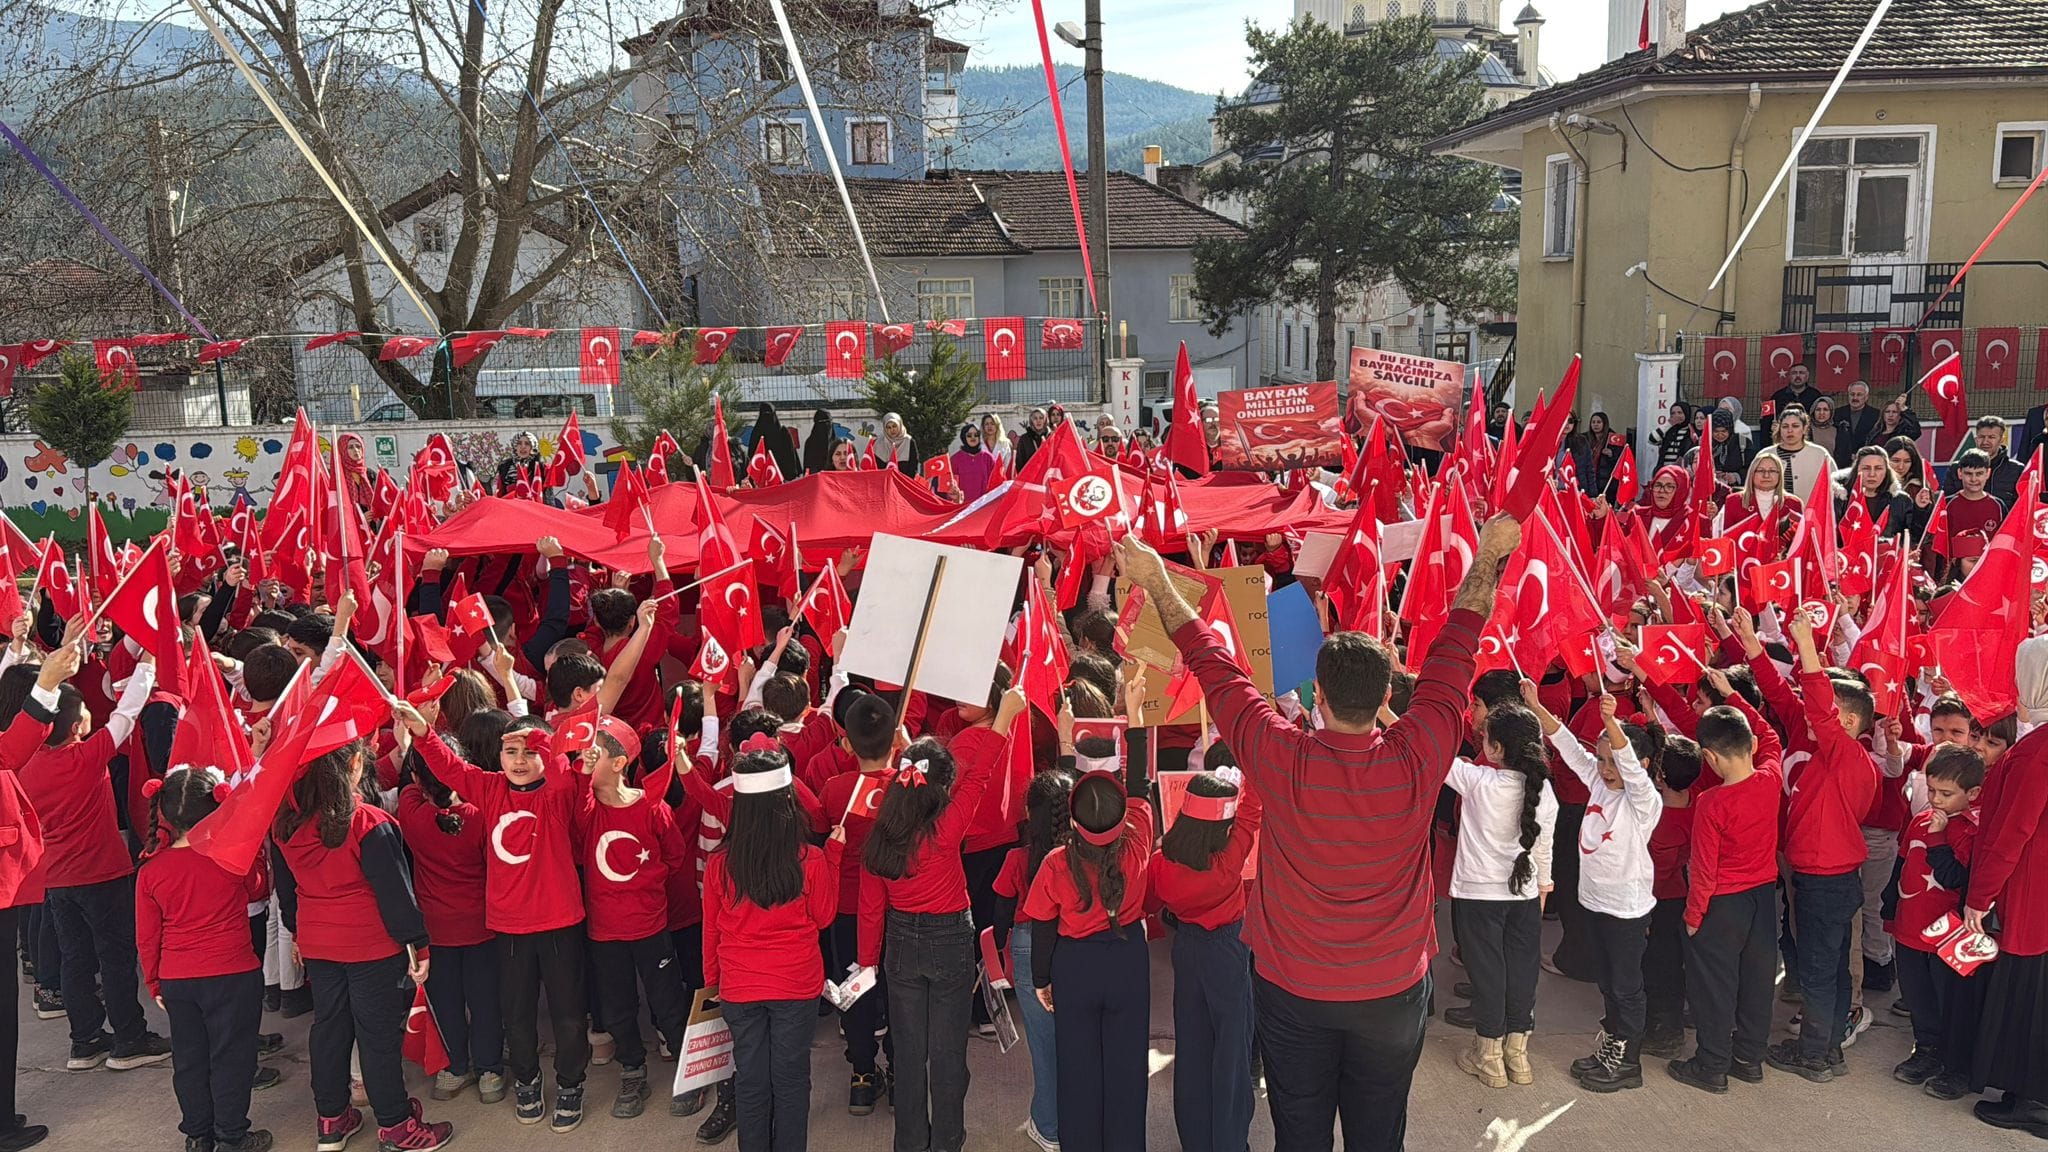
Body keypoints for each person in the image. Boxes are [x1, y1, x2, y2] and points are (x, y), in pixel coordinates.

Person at [1116, 511, 1519, 1151]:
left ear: (1319, 698)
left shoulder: (1280, 756)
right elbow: (1457, 644)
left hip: (1293, 992)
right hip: (1390, 991)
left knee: (1299, 1134)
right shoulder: (1422, 752)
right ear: (1387, 692)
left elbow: (1212, 662)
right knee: (1378, 1134)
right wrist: (1490, 555)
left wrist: (1156, 575)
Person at [406, 709, 592, 1131]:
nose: (520, 760)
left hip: (560, 921)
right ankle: (527, 1080)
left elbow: (565, 775)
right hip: (508, 927)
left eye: (531, 752)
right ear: (498, 756)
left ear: (548, 755)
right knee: (517, 1014)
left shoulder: (558, 792)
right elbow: (449, 767)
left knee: (567, 1014)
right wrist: (422, 732)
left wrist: (554, 748)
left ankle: (569, 1084)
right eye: (511, 751)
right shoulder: (489, 790)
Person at [271, 739, 451, 1152]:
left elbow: (287, 890)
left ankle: (332, 1119)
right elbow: (396, 894)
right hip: (371, 945)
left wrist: (299, 932)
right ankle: (396, 1123)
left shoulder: (285, 823)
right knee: (377, 1036)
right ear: (355, 764)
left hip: (319, 943)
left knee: (329, 1031)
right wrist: (418, 946)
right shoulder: (368, 822)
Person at [860, 695, 1022, 1152]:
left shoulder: (880, 835)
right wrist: (1004, 720)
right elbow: (979, 777)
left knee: (908, 1055)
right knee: (949, 1054)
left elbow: (872, 908)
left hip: (899, 948)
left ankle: (909, 1143)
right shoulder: (947, 828)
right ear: (938, 789)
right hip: (950, 941)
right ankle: (948, 1140)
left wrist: (865, 963)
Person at [20, 650, 172, 1073]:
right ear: (74, 725)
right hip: (101, 874)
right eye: (86, 710)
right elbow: (126, 714)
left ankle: (84, 1039)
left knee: (75, 958)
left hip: (57, 879)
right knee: (117, 956)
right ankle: (129, 1037)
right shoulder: (85, 757)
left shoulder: (27, 764)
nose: (92, 714)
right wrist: (147, 664)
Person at [702, 742, 846, 1151]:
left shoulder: (719, 863)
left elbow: (710, 930)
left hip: (739, 988)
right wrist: (833, 855)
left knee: (749, 1080)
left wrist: (713, 981)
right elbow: (824, 917)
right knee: (792, 1079)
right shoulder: (811, 859)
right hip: (796, 985)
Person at [1764, 609, 1878, 1084]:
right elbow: (1796, 702)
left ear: (1847, 721)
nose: (1814, 718)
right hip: (1831, 876)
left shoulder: (1845, 753)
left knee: (1816, 969)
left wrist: (1807, 645)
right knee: (1829, 970)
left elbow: (1818, 702)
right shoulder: (1842, 758)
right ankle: (1826, 1048)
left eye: (1828, 714)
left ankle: (1813, 1054)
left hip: (1824, 880)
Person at [137, 767, 275, 1152]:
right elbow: (258, 891)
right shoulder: (231, 858)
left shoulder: (151, 871)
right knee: (233, 1055)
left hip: (178, 978)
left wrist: (153, 981)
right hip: (232, 972)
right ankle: (232, 1134)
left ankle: (198, 1134)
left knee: (190, 1058)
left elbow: (147, 937)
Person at [1022, 760, 1155, 1152]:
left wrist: (1041, 979)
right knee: (1128, 1068)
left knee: (1077, 1069)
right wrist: (1134, 722)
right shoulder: (1139, 840)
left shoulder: (1054, 862)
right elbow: (1140, 789)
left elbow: (1043, 925)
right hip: (1128, 961)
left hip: (1074, 968)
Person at [1535, 690, 1662, 1092]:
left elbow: (1630, 769)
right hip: (1595, 904)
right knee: (1607, 984)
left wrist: (1611, 723)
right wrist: (1537, 708)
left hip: (1626, 911)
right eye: (1602, 760)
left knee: (1626, 987)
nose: (1605, 769)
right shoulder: (1600, 785)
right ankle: (1611, 1046)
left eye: (1613, 761)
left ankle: (1628, 1062)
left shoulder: (1644, 801)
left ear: (1640, 764)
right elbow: (1572, 750)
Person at [1667, 670, 1782, 1094]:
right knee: (1756, 980)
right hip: (1760, 898)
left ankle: (1711, 1064)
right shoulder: (1771, 777)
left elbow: (1704, 866)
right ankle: (1748, 1058)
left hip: (1720, 902)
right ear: (1749, 745)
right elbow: (1769, 735)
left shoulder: (1711, 802)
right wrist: (1733, 693)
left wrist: (1694, 916)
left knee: (1714, 985)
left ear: (1709, 758)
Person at [1147, 756, 1263, 1152]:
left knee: (1193, 1048)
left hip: (1187, 951)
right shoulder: (1228, 862)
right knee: (1231, 1051)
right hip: (1228, 953)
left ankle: (1195, 1138)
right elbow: (1253, 812)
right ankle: (1229, 1141)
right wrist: (1250, 772)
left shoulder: (1160, 864)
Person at [576, 716, 688, 1121]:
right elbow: (576, 805)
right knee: (617, 1005)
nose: (585, 760)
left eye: (596, 753)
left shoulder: (652, 807)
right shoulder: (586, 811)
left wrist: (649, 886)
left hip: (649, 925)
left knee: (667, 1000)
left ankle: (686, 1069)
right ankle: (632, 1068)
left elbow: (674, 857)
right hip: (605, 931)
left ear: (621, 762)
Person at [1442, 704, 1556, 1090]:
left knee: (1488, 975)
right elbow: (1544, 848)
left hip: (1478, 896)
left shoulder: (1477, 781)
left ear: (1494, 748)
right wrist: (1543, 889)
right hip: (1523, 896)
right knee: (1522, 973)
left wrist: (1390, 713)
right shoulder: (1544, 791)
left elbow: (1432, 750)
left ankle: (1488, 1058)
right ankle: (1518, 1056)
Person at [396, 740, 503, 1105]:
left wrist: (409, 744)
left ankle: (455, 1067)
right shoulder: (481, 814)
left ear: (418, 780)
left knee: (445, 1001)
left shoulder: (411, 814)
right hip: (481, 925)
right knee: (486, 998)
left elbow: (408, 787)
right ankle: (490, 1070)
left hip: (435, 930)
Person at [1962, 702, 2048, 1136]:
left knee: (2029, 999)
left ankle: (2032, 1099)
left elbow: (2015, 830)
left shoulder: (2037, 751)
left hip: (2032, 891)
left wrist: (1981, 895)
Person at [812, 693, 900, 1116]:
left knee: (855, 991)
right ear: (895, 739)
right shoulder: (907, 789)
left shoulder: (834, 791)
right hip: (898, 907)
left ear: (847, 742)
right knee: (900, 990)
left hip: (847, 911)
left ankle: (862, 1075)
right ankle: (900, 1072)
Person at [1888, 744, 1985, 1087]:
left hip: (1949, 935)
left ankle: (1953, 1060)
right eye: (1931, 790)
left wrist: (1939, 837)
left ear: (1972, 793)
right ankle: (1926, 1049)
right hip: (1910, 928)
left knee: (1950, 1001)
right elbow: (1902, 866)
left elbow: (1955, 877)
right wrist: (1890, 912)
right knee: (1917, 995)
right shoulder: (1919, 820)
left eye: (1947, 793)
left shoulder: (1973, 829)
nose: (1937, 799)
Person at [995, 769, 1076, 1152]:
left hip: (1029, 946)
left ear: (1030, 812)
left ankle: (1048, 1124)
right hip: (1074, 942)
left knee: (1043, 1044)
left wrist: (996, 948)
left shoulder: (1017, 859)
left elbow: (1001, 909)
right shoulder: (1078, 857)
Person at [1643, 737, 1701, 1060]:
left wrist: (1645, 913)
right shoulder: (1697, 803)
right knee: (1672, 965)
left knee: (1658, 967)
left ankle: (1664, 1031)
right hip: (1682, 897)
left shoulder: (1665, 822)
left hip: (1662, 902)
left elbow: (1659, 873)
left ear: (1661, 776)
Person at [1716, 453, 1801, 540]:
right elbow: (1727, 539)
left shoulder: (1794, 503)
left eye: (1772, 471)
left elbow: (1797, 541)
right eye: (1760, 470)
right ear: (1752, 474)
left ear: (1780, 475)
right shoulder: (1734, 501)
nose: (1766, 475)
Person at [1942, 416, 2023, 506]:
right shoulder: (1956, 468)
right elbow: (1947, 504)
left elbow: (2021, 506)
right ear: (1976, 439)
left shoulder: (2017, 470)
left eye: (1991, 437)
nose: (1985, 442)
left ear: (2001, 440)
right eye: (1981, 437)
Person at [1762, 407, 1834, 499]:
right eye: (1785, 426)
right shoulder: (1765, 455)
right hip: (1773, 511)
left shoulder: (1820, 454)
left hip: (1809, 511)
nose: (1790, 430)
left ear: (1804, 429)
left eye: (1795, 426)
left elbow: (1834, 486)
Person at [1841, 446, 1912, 536]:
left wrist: (1921, 509)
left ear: (1887, 471)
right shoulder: (1840, 499)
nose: (1872, 474)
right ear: (1856, 470)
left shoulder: (1901, 501)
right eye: (1866, 468)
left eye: (1878, 468)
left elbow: (1914, 537)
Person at [748, 403, 801, 481]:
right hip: (761, 480)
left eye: (769, 414)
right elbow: (752, 455)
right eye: (765, 414)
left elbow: (790, 455)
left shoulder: (783, 432)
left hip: (782, 477)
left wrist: (789, 475)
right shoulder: (756, 433)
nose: (767, 418)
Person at [1575, 412, 1624, 497]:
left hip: (1606, 484)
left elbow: (1620, 461)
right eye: (1593, 422)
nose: (1595, 425)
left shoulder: (1613, 439)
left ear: (1604, 424)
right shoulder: (1584, 438)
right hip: (1588, 480)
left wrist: (1612, 454)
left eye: (1598, 422)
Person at [1767, 363, 1824, 434]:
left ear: (1807, 376)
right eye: (1794, 373)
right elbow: (1766, 421)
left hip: (1809, 438)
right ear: (1789, 376)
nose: (1798, 376)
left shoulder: (1816, 395)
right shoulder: (1777, 396)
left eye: (1801, 373)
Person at [1834, 381, 1883, 464]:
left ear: (1866, 397)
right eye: (1852, 394)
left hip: (1866, 459)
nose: (1855, 398)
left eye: (1859, 394)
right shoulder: (1837, 413)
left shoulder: (1876, 415)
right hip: (1841, 461)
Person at [949, 425, 998, 502]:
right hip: (962, 507)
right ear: (963, 437)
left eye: (976, 435)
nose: (973, 437)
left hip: (983, 505)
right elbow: (950, 485)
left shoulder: (989, 458)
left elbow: (996, 481)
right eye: (969, 435)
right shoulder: (955, 460)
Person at [1652, 402, 1696, 472]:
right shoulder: (1667, 430)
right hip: (1664, 471)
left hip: (1682, 471)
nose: (1676, 415)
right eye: (1673, 413)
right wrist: (1669, 424)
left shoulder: (1692, 430)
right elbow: (1652, 439)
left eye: (1680, 413)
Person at [335, 433, 373, 509]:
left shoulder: (370, 474)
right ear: (343, 450)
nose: (356, 450)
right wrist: (361, 517)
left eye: (358, 446)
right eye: (350, 447)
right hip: (349, 519)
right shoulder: (338, 475)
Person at [801, 409, 840, 474]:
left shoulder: (837, 443)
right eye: (822, 423)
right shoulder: (810, 443)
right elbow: (808, 467)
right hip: (816, 480)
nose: (826, 425)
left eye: (828, 422)